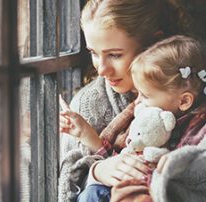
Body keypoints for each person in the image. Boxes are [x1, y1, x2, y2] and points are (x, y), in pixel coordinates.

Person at [58, 0, 195, 201]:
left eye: (114, 55)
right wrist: (98, 172)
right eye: (94, 53)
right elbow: (63, 187)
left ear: (152, 45)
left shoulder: (192, 94)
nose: (101, 69)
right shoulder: (86, 105)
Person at [76, 35, 206, 201]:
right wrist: (88, 142)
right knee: (91, 193)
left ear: (184, 101)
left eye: (144, 95)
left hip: (155, 192)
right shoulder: (144, 120)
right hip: (126, 185)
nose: (137, 102)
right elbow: (121, 157)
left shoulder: (198, 134)